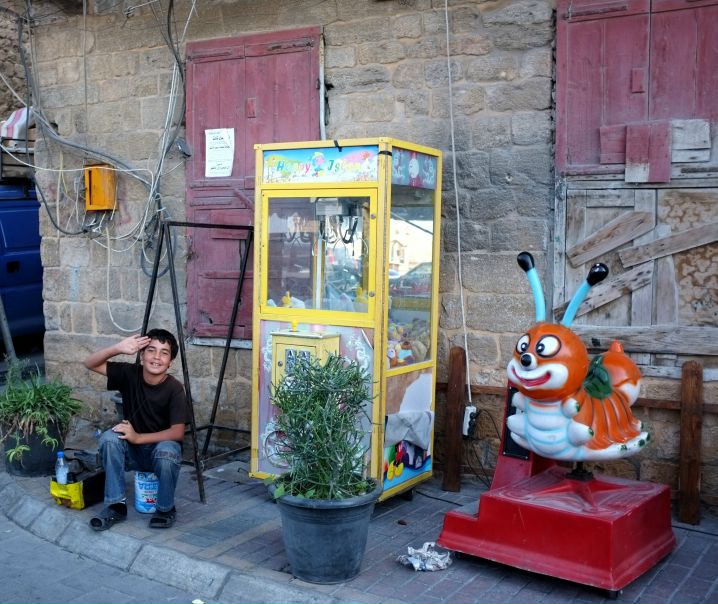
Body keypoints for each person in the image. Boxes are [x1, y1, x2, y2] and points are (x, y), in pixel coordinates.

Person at [84, 329, 187, 531]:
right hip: (132, 452)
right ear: (142, 354)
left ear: (171, 362)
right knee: (109, 439)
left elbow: (177, 432)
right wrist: (118, 348)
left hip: (160, 454)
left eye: (164, 353)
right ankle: (115, 506)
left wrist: (138, 437)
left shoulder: (175, 388)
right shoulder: (129, 373)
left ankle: (165, 509)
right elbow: (90, 363)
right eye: (151, 350)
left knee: (167, 451)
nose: (156, 357)